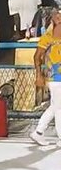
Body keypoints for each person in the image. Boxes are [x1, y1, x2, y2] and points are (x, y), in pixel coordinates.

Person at [31, 8, 61, 146]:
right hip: (54, 76)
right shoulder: (47, 37)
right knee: (58, 107)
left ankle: (39, 132)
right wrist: (39, 75)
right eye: (57, 15)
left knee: (56, 106)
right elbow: (37, 57)